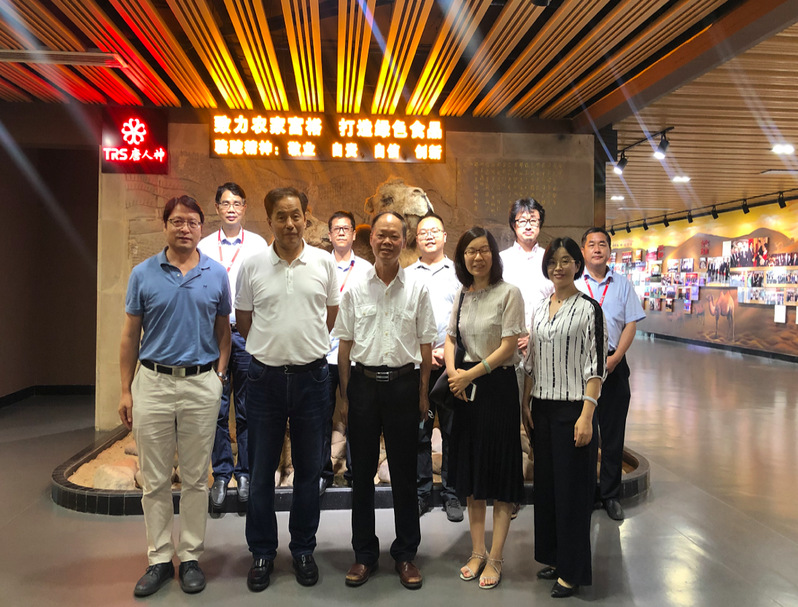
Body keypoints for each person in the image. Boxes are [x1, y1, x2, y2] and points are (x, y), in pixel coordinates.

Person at [119, 195, 231, 597]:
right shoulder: (143, 274)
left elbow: (223, 331)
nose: (185, 228)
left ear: (202, 228)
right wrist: (125, 389)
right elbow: (130, 335)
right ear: (165, 224)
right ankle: (159, 559)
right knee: (155, 479)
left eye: (192, 222)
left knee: (198, 478)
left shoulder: (216, 274)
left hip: (201, 383)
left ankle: (191, 557)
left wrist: (219, 376)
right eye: (177, 221)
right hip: (153, 383)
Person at [235, 187, 339, 591]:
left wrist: (302, 346)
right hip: (265, 379)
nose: (290, 223)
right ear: (269, 221)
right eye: (281, 216)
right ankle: (262, 551)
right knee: (261, 470)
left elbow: (329, 314)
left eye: (296, 215)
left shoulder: (324, 262)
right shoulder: (252, 265)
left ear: (305, 217)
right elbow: (244, 319)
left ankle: (303, 549)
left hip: (313, 378)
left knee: (309, 470)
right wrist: (272, 348)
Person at [334, 211, 437, 590]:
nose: (387, 242)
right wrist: (345, 397)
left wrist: (423, 393)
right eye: (381, 235)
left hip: (403, 386)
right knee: (360, 474)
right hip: (363, 386)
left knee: (405, 475)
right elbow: (344, 348)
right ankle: (364, 554)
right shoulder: (355, 288)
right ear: (371, 239)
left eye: (395, 236)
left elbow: (425, 346)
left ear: (404, 241)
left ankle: (406, 554)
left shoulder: (418, 288)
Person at [522, 237, 607, 599]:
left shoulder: (589, 309)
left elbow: (596, 367)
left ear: (577, 265)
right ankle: (556, 558)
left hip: (574, 410)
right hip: (542, 408)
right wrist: (526, 402)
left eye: (566, 260)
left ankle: (572, 572)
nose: (559, 267)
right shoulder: (541, 308)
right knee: (549, 490)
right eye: (553, 261)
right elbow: (532, 360)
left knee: (573, 494)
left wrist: (587, 415)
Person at [445, 227, 526, 589]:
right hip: (465, 390)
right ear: (462, 258)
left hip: (497, 388)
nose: (477, 257)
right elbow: (450, 337)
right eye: (470, 252)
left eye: (483, 250)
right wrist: (453, 374)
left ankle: (496, 556)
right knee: (473, 473)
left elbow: (509, 345)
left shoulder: (509, 293)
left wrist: (469, 375)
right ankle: (477, 550)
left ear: (494, 254)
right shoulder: (462, 294)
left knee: (501, 472)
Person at [198, 182, 268, 509]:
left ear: (244, 208)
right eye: (225, 203)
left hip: (246, 333)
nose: (231, 209)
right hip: (212, 335)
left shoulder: (257, 245)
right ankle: (222, 473)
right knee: (216, 404)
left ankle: (245, 473)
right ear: (216, 208)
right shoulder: (204, 246)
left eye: (237, 203)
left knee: (247, 408)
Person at [577, 227, 645, 521]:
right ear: (583, 250)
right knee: (585, 430)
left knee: (613, 433)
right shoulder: (574, 283)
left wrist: (615, 358)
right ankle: (585, 492)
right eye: (591, 244)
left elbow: (631, 323)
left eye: (602, 244)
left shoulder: (622, 284)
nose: (597, 249)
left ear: (609, 251)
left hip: (614, 365)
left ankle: (610, 494)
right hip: (580, 368)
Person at [407, 212, 463, 522]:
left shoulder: (459, 274)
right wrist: (424, 353)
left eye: (435, 231)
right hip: (419, 366)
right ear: (416, 239)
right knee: (420, 430)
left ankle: (452, 493)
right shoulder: (406, 275)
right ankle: (421, 493)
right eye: (423, 232)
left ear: (444, 237)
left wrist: (446, 351)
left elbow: (465, 319)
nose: (429, 236)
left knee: (453, 431)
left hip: (452, 366)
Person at [322, 210, 372, 495]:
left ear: (354, 234)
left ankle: (356, 472)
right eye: (336, 228)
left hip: (356, 353)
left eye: (346, 228)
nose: (341, 232)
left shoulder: (366, 269)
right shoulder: (318, 266)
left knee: (357, 414)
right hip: (322, 351)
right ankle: (322, 472)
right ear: (329, 234)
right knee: (321, 415)